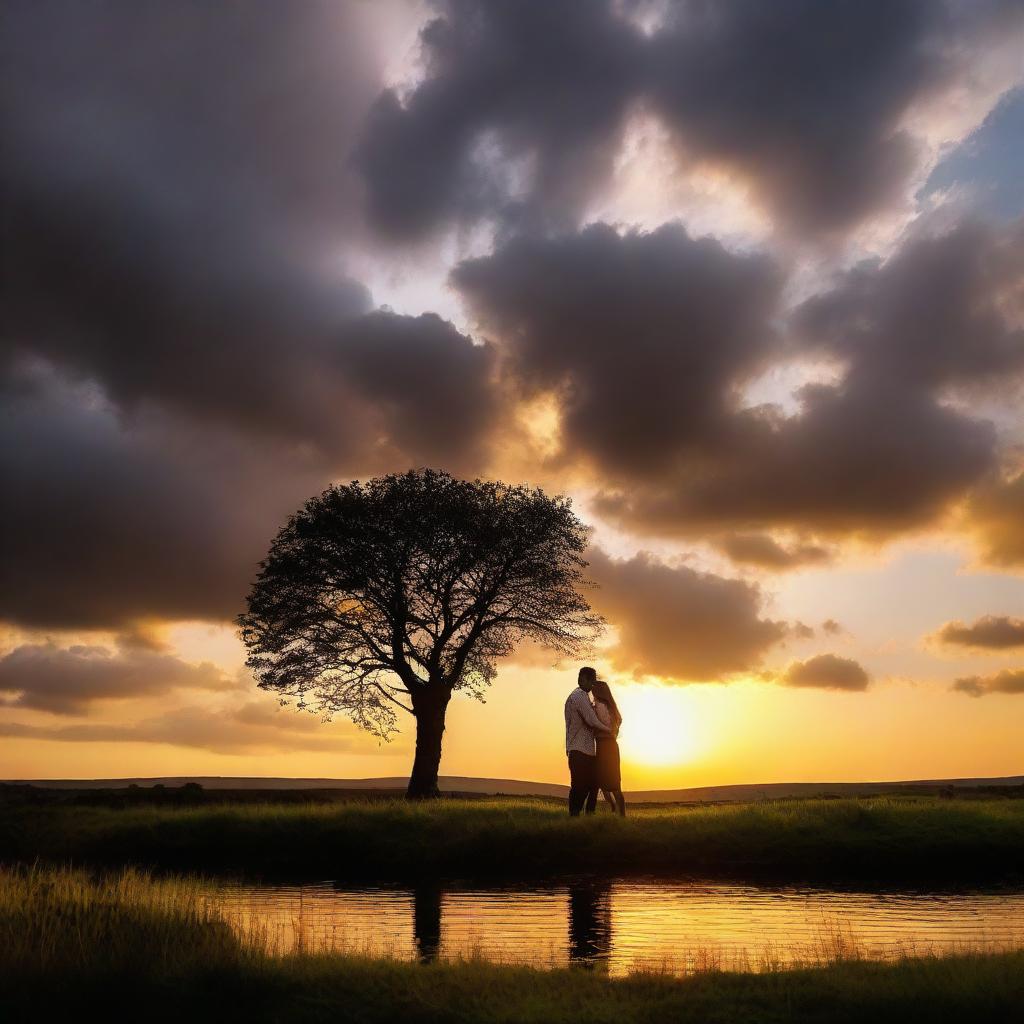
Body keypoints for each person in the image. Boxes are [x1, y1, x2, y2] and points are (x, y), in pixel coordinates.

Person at [564, 666, 610, 816]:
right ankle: (574, 816)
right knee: (579, 787)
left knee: (593, 784)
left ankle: (588, 815)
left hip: (586, 750)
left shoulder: (583, 696)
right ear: (584, 679)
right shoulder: (578, 696)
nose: (592, 685)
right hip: (578, 750)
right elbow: (591, 720)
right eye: (590, 681)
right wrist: (609, 730)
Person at [591, 680, 625, 817]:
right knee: (613, 782)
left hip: (604, 746)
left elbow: (601, 724)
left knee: (606, 782)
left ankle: (615, 810)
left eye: (594, 688)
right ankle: (619, 813)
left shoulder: (599, 706)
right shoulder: (612, 708)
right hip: (610, 746)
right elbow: (616, 724)